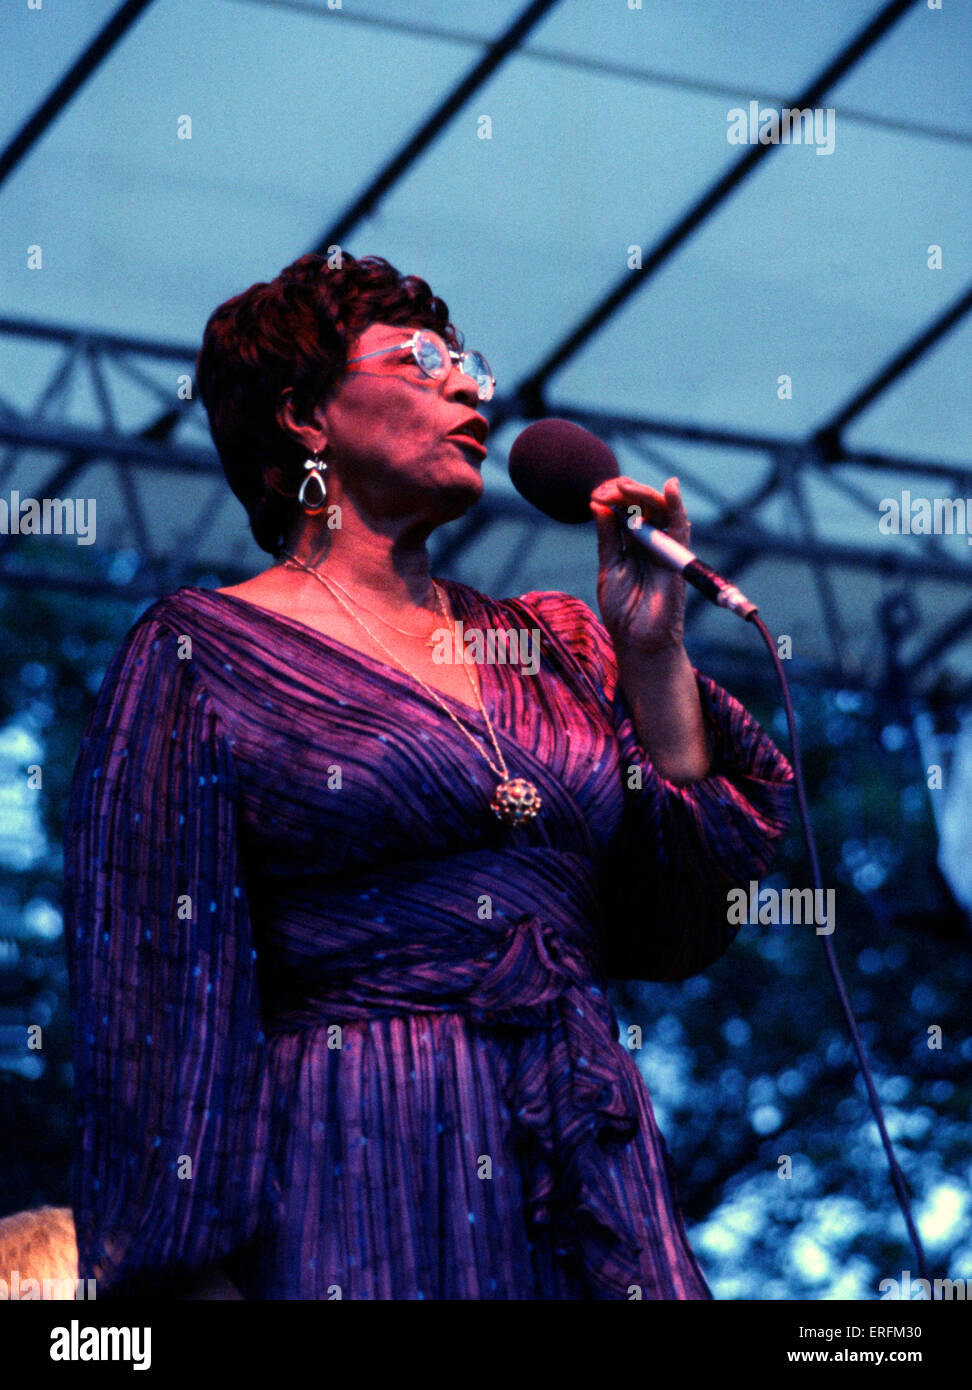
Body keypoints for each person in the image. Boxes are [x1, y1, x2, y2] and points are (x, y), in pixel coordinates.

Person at [63, 252, 794, 1300]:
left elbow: (689, 900)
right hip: (353, 1152)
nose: (467, 386)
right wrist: (187, 1283)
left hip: (583, 1147)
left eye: (469, 364)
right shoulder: (198, 655)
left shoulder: (556, 644)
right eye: (420, 361)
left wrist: (650, 650)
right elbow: (152, 999)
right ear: (305, 416)